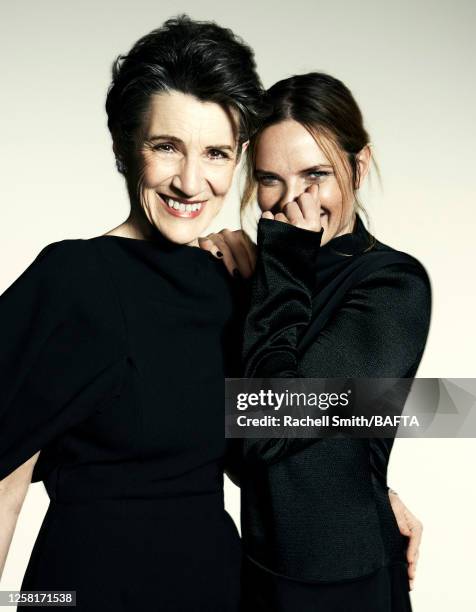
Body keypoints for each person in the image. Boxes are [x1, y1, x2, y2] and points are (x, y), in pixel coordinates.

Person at [0, 16, 263, 611]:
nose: (191, 181)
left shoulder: (235, 283)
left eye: (216, 153)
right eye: (166, 147)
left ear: (240, 155)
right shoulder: (74, 279)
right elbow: (5, 478)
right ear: (125, 147)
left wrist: (375, 495)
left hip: (218, 591)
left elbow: (281, 448)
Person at [201, 72, 431, 611]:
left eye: (316, 174)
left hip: (347, 582)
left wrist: (277, 269)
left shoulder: (392, 284)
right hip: (259, 571)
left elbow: (271, 425)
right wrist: (214, 283)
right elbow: (235, 451)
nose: (292, 201)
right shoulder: (262, 281)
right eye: (270, 179)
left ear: (360, 165)